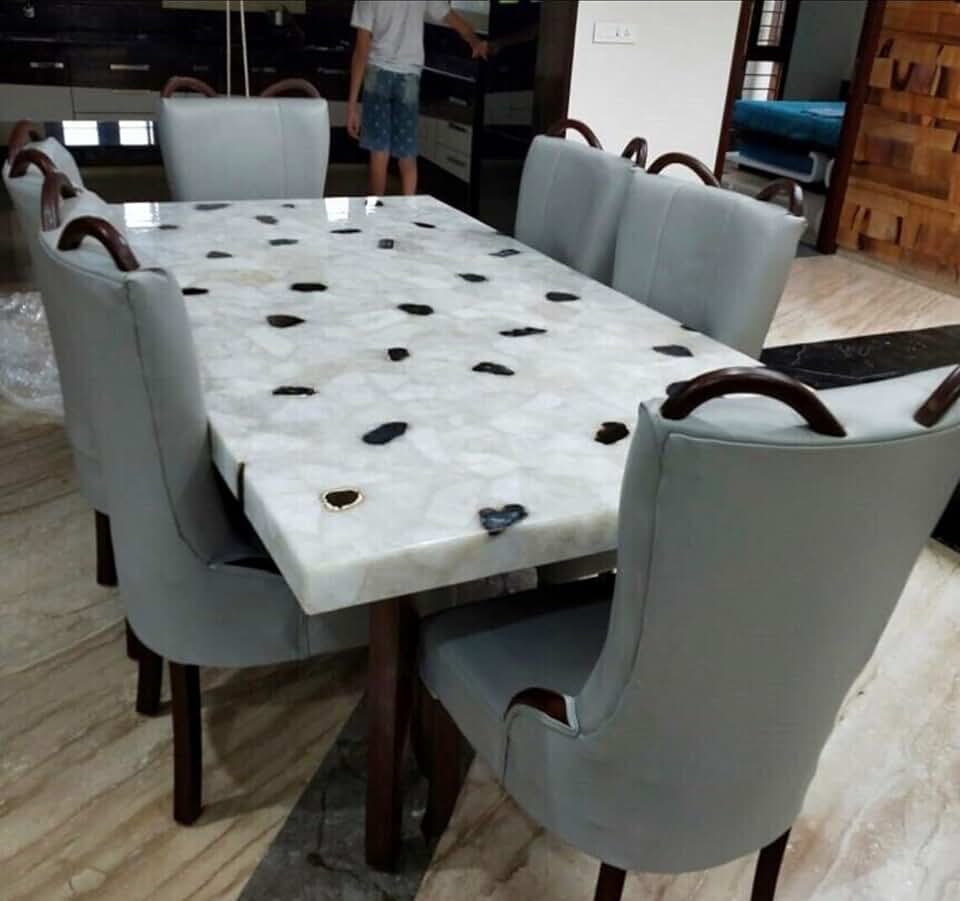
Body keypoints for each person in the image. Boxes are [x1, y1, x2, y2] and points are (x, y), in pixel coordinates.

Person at [348, 1, 488, 196]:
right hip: (409, 76)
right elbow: (452, 18)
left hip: (378, 74)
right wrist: (475, 41)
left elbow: (361, 49)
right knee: (407, 153)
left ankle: (376, 212)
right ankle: (409, 210)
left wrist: (352, 105)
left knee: (379, 153)